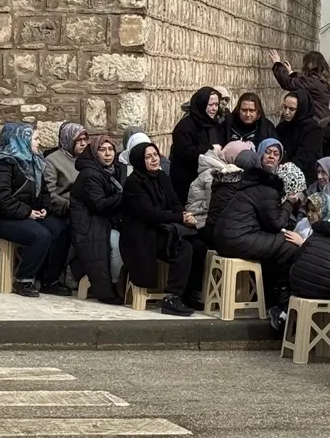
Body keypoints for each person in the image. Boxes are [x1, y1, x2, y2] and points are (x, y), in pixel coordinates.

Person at [0, 123, 72, 297]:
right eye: (36, 138)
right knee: (40, 235)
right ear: (22, 140)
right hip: (4, 218)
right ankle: (24, 279)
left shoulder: (34, 162)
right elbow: (0, 197)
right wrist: (26, 212)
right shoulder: (3, 162)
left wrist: (44, 208)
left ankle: (49, 279)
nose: (39, 142)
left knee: (60, 229)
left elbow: (44, 192)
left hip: (28, 214)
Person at [213, 150, 298, 323]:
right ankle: (281, 299)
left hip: (223, 239)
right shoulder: (268, 192)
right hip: (237, 239)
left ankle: (267, 296)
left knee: (275, 245)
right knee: (289, 244)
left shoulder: (252, 187)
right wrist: (289, 203)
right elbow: (275, 224)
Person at [119, 142, 202, 317]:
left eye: (155, 154)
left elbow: (173, 202)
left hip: (162, 228)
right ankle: (172, 297)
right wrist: (180, 218)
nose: (154, 159)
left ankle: (189, 292)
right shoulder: (134, 183)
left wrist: (184, 214)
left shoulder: (161, 176)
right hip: (142, 234)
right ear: (140, 161)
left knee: (198, 244)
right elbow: (150, 214)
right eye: (148, 157)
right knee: (182, 248)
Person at [69, 134, 126, 304]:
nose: (108, 154)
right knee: (117, 245)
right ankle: (111, 286)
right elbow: (99, 205)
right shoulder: (90, 174)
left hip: (103, 220)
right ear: (94, 153)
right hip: (88, 224)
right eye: (102, 150)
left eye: (111, 149)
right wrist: (125, 196)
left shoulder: (111, 171)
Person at [170, 87, 225, 202]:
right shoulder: (185, 126)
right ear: (201, 104)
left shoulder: (215, 125)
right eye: (210, 105)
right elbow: (184, 152)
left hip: (210, 181)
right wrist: (209, 148)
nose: (214, 109)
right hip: (187, 181)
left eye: (216, 104)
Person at [186, 141, 251, 230]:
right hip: (198, 217)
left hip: (208, 214)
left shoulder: (224, 169)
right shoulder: (214, 173)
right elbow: (214, 204)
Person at [268, 49, 330, 121]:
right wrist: (291, 73)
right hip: (321, 119)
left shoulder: (311, 82)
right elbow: (301, 81)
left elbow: (288, 83)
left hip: (315, 121)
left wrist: (277, 64)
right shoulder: (319, 81)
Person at [276, 90, 324, 183]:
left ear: (301, 109)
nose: (286, 112)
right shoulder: (283, 126)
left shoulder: (313, 130)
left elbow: (304, 158)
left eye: (292, 109)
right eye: (285, 107)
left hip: (304, 178)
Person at [44, 122, 88, 218]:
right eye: (78, 140)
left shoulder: (88, 158)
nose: (83, 144)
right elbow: (49, 193)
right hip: (66, 211)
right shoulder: (52, 161)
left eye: (85, 139)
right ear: (68, 139)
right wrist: (69, 206)